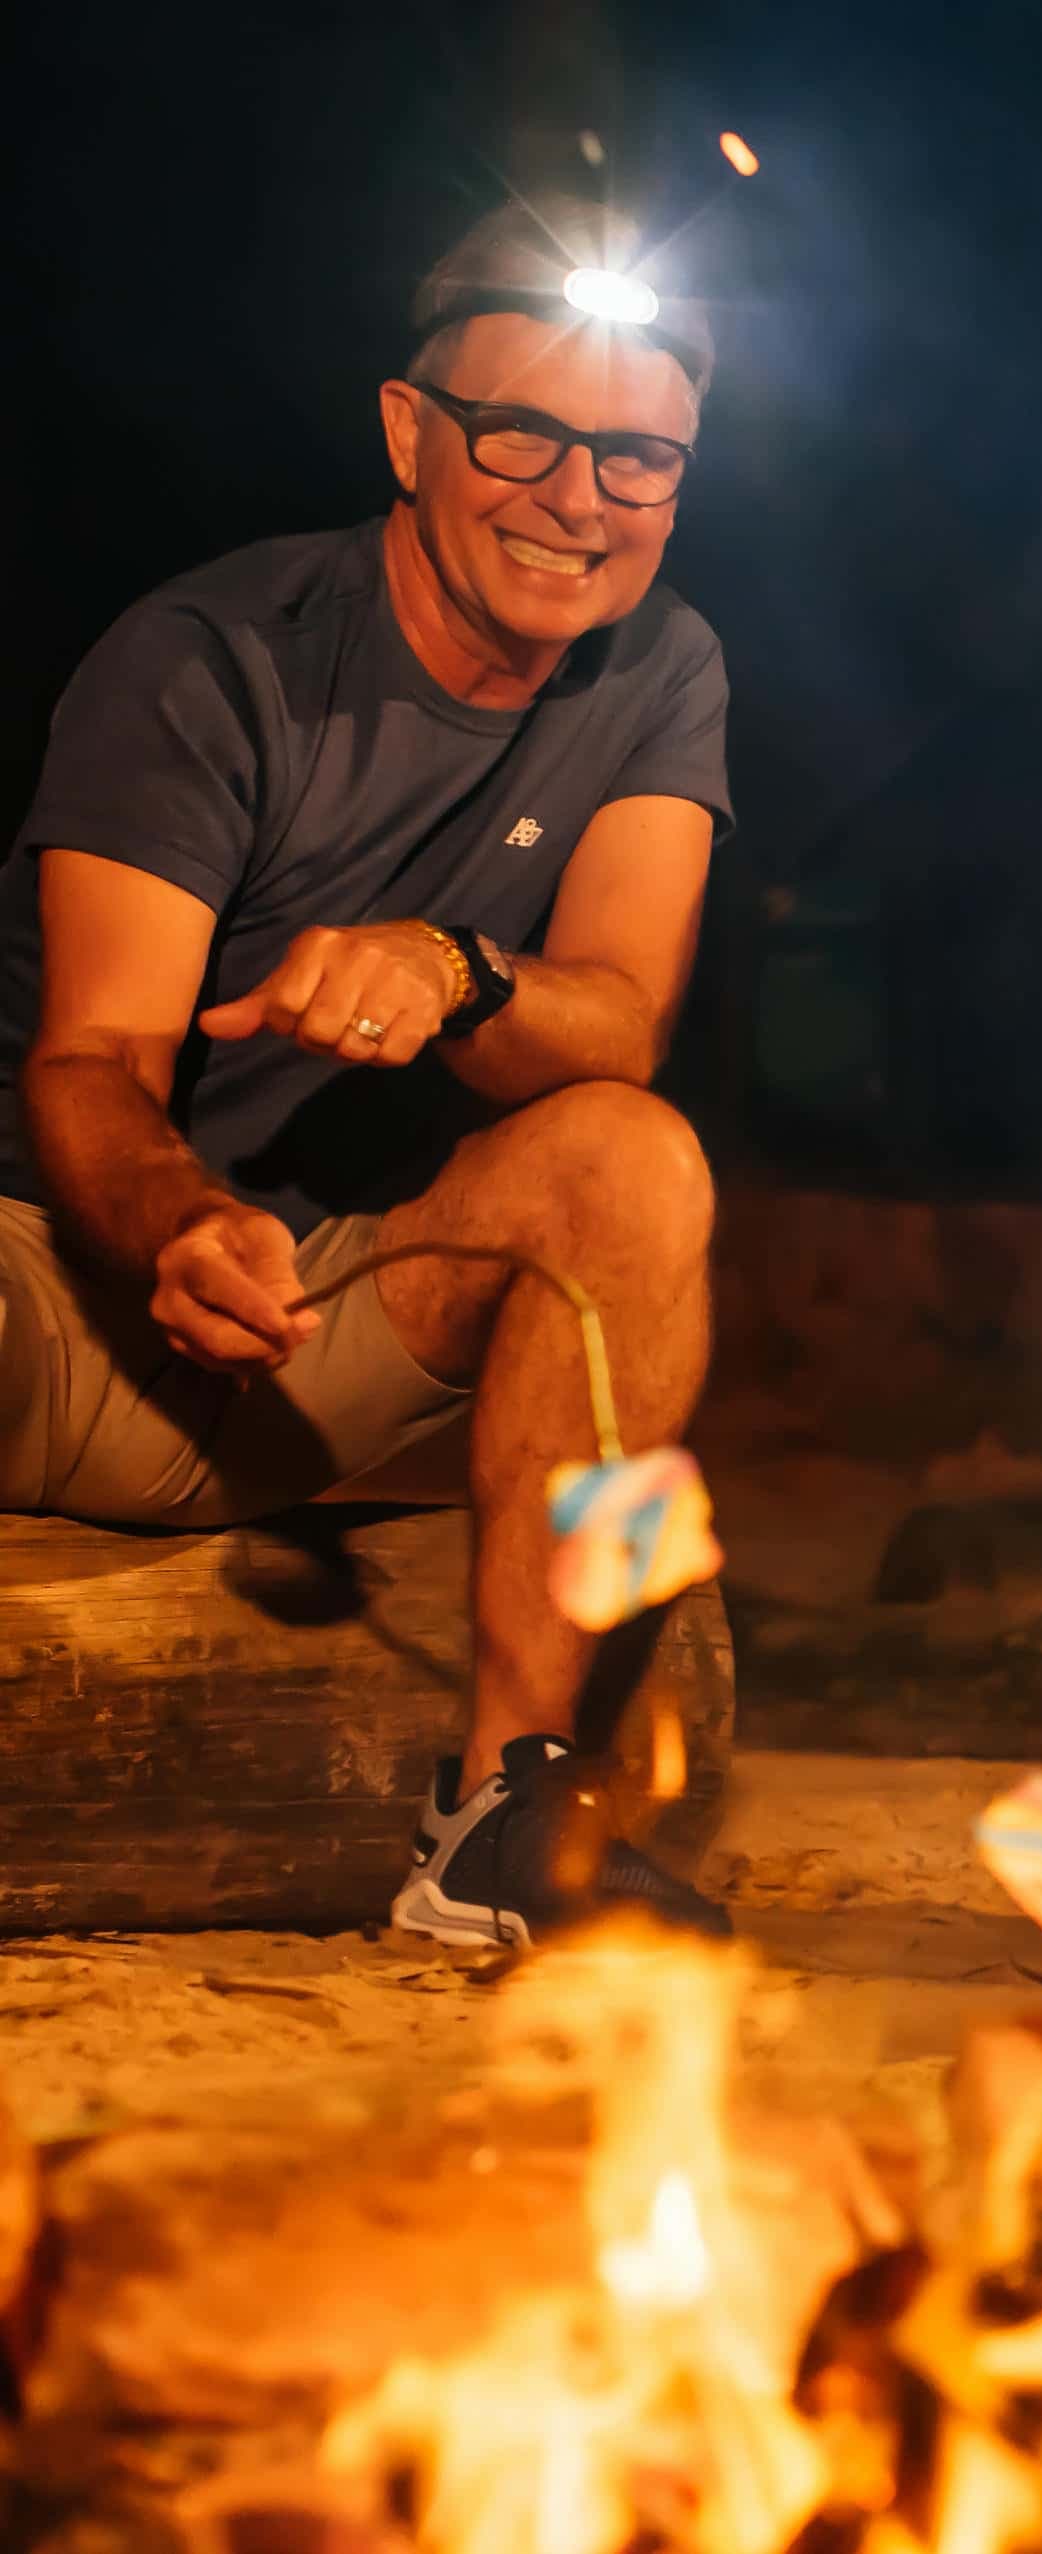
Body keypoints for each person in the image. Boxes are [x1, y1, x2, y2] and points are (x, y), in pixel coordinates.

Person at [2, 196, 731, 1946]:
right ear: (410, 432)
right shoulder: (216, 658)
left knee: (631, 1157)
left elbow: (620, 1015)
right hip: (61, 1291)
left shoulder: (662, 670)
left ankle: (500, 1809)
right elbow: (91, 1058)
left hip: (326, 1323)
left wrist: (456, 964)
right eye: (524, 436)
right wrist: (176, 1218)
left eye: (637, 458)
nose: (580, 497)